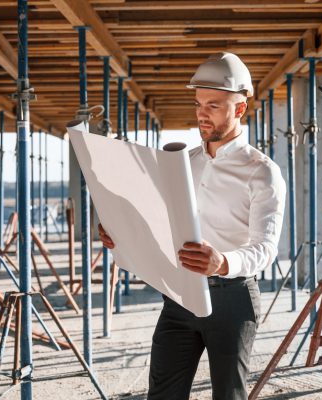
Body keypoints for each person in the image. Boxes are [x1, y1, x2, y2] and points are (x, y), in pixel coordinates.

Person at [98, 52, 286, 400]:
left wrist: (224, 262)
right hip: (179, 295)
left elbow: (266, 247)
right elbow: (158, 226)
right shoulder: (182, 164)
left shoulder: (261, 171)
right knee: (162, 395)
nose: (201, 113)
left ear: (239, 109)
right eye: (199, 103)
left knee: (228, 396)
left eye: (213, 105)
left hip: (233, 299)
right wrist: (119, 234)